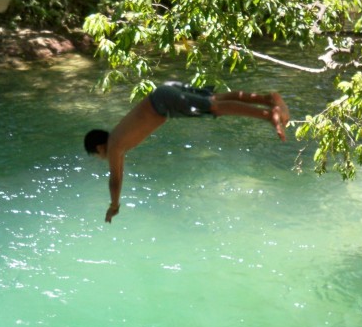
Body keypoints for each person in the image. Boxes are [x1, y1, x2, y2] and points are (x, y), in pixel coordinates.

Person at [84, 81, 290, 222]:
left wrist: (114, 205)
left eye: (97, 155)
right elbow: (119, 173)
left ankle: (268, 115)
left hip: (163, 102)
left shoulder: (113, 147)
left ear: (99, 147)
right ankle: (268, 99)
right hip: (164, 95)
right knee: (214, 100)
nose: (102, 158)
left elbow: (116, 179)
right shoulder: (118, 140)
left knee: (214, 108)